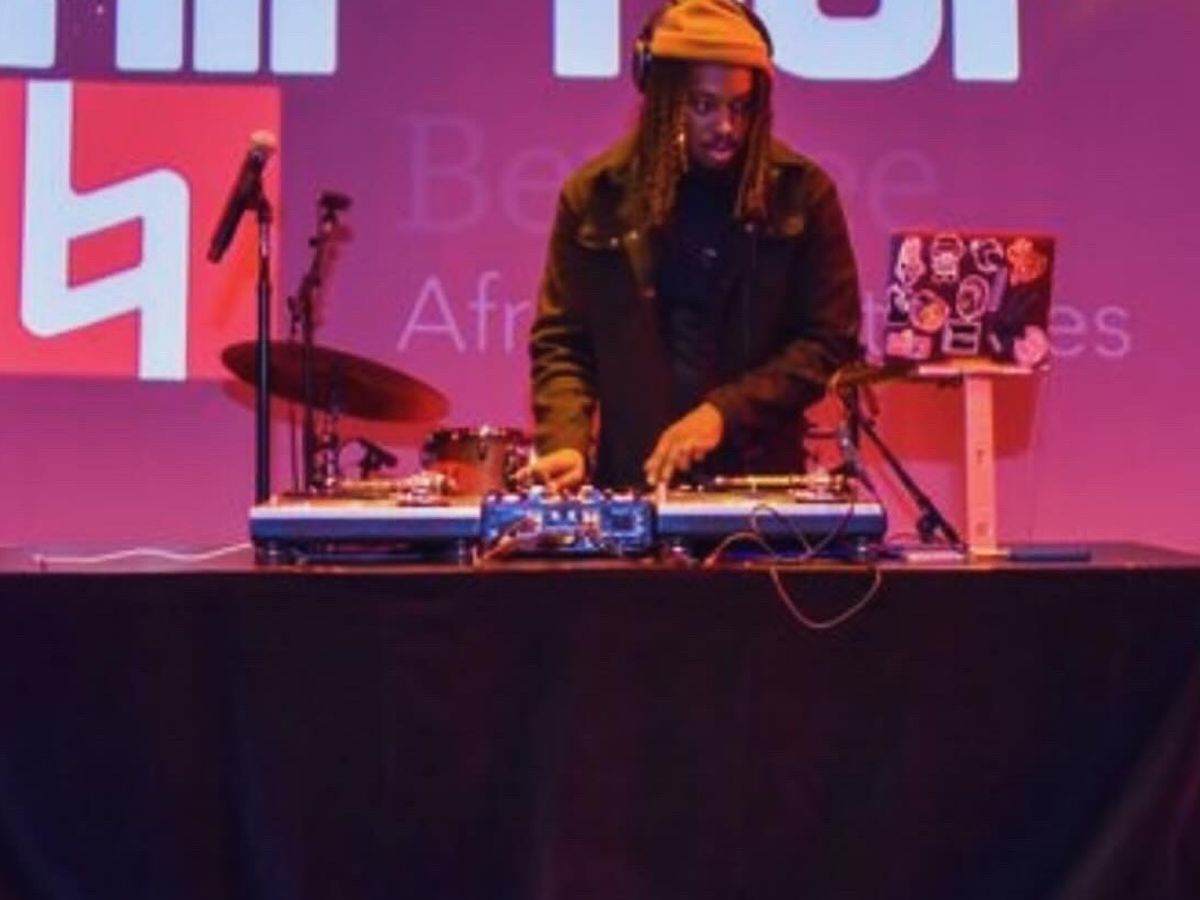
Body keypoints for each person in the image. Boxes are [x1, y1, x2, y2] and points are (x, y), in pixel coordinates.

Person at [527, 0, 861, 491]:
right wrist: (566, 441)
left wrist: (725, 412)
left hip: (759, 491)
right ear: (663, 101)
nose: (726, 126)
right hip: (634, 483)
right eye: (703, 105)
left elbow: (828, 340)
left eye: (740, 107)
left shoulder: (802, 194)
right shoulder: (597, 196)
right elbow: (563, 344)